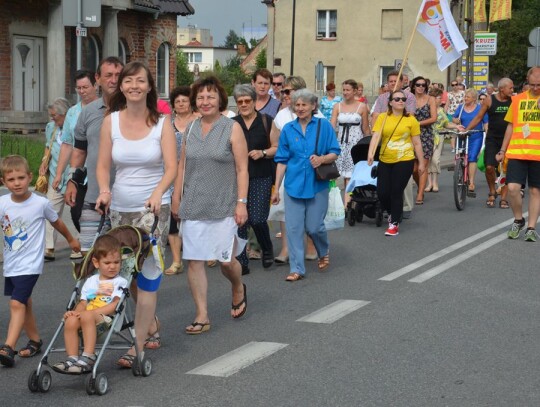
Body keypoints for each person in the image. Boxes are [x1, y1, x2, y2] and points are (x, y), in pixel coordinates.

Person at [95, 61, 177, 366]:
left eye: (139, 81)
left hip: (153, 211)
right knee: (126, 274)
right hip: (119, 210)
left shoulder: (162, 123)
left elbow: (171, 167)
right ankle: (150, 323)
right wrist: (104, 189)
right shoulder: (111, 122)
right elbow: (103, 165)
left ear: (148, 86)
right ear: (122, 86)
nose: (133, 86)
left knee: (148, 278)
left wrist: (157, 193)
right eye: (128, 81)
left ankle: (137, 345)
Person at [171, 76, 248, 334]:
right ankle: (202, 314)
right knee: (194, 260)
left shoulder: (232, 128)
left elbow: (242, 169)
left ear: (220, 100)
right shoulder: (191, 128)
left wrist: (241, 203)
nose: (205, 102)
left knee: (227, 262)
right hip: (193, 204)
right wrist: (176, 197)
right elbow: (182, 165)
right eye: (201, 98)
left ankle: (237, 286)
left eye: (210, 97)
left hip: (224, 204)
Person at [0, 155, 80, 367]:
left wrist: (71, 239)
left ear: (30, 177)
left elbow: (58, 223)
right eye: (11, 179)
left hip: (30, 264)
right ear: (3, 182)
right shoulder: (3, 203)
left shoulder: (40, 203)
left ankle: (8, 347)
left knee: (16, 303)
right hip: (11, 264)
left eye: (21, 178)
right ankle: (35, 340)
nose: (17, 183)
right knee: (24, 302)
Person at [271, 89, 341, 281]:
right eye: (297, 105)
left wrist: (322, 159)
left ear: (313, 106)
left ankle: (323, 249)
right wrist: (276, 188)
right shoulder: (288, 129)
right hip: (293, 186)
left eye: (304, 104)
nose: (300, 108)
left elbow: (335, 151)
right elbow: (282, 160)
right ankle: (297, 269)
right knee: (293, 228)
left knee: (314, 226)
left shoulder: (323, 126)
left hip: (317, 184)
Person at [64, 56, 124, 254]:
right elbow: (80, 150)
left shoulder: (134, 111)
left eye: (118, 75)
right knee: (90, 256)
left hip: (128, 198)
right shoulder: (88, 112)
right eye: (108, 75)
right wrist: (73, 180)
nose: (114, 80)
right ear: (97, 78)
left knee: (126, 262)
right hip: (94, 196)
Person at [52, 235, 127, 374]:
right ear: (96, 262)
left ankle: (89, 355)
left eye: (117, 262)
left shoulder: (119, 282)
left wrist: (92, 314)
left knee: (86, 316)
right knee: (71, 320)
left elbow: (115, 305)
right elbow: (83, 303)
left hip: (106, 318)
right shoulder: (91, 281)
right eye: (107, 263)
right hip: (88, 315)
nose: (113, 266)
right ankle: (72, 358)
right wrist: (75, 312)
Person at [270, 76, 324, 264]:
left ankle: (311, 246)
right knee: (286, 212)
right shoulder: (282, 115)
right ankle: (287, 250)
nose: (284, 95)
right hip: (290, 173)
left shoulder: (319, 118)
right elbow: (275, 143)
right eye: (284, 91)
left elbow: (328, 146)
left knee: (310, 215)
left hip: (312, 173)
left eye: (288, 91)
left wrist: (320, 159)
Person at [232, 84, 277, 272]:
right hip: (236, 178)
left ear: (253, 101)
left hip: (261, 175)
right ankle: (242, 260)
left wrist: (263, 152)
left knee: (258, 218)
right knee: (240, 220)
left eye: (247, 101)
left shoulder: (266, 121)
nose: (243, 104)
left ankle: (266, 248)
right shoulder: (232, 124)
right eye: (239, 101)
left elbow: (277, 147)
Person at [367, 91, 424, 237]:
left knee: (396, 191)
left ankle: (394, 224)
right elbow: (376, 136)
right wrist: (370, 153)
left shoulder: (411, 120)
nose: (400, 101)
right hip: (385, 159)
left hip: (405, 159)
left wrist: (422, 163)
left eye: (403, 99)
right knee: (382, 192)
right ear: (390, 102)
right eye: (397, 99)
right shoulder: (383, 117)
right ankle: (393, 213)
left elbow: (417, 143)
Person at [54, 70, 98, 240]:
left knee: (98, 211)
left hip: (98, 169)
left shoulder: (105, 109)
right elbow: (67, 144)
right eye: (78, 88)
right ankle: (91, 242)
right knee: (76, 212)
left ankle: (100, 247)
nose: (82, 91)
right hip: (78, 172)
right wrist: (59, 173)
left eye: (85, 87)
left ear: (95, 85)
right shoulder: (72, 112)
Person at [497, 66, 540, 241]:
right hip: (517, 151)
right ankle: (518, 219)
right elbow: (510, 125)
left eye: (539, 85)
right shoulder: (517, 100)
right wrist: (502, 149)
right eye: (532, 85)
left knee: (535, 191)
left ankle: (531, 227)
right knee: (513, 189)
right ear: (527, 83)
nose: (536, 88)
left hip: (537, 153)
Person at [372, 70, 417, 219]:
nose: (393, 83)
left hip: (404, 139)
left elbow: (409, 115)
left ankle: (406, 206)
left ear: (402, 82)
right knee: (386, 183)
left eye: (396, 81)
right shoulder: (382, 98)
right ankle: (391, 207)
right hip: (386, 140)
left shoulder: (408, 97)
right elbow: (376, 115)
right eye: (390, 81)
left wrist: (395, 113)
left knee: (404, 180)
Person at [165, 86, 199, 276]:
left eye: (184, 100)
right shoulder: (167, 123)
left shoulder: (198, 121)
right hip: (171, 175)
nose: (181, 104)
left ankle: (203, 253)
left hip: (194, 174)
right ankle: (177, 261)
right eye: (177, 102)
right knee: (173, 217)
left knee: (195, 216)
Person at [465, 78, 514, 208]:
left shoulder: (514, 100)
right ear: (502, 88)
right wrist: (466, 129)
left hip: (509, 139)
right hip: (492, 138)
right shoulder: (489, 100)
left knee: (506, 169)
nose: (512, 90)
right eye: (511, 88)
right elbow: (479, 117)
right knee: (489, 167)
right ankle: (492, 191)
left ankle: (504, 198)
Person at [39, 97, 73, 261]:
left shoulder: (74, 126)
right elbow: (48, 146)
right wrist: (44, 162)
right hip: (55, 177)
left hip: (73, 176)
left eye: (54, 115)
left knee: (77, 214)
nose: (52, 118)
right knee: (50, 210)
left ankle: (80, 245)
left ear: (65, 114)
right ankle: (49, 248)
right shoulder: (51, 127)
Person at [330, 79, 370, 206]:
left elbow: (365, 128)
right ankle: (334, 204)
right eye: (344, 90)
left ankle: (347, 205)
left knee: (350, 176)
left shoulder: (362, 106)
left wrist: (369, 145)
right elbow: (332, 126)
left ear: (354, 91)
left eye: (348, 90)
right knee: (336, 175)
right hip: (341, 142)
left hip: (355, 143)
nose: (345, 92)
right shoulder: (338, 106)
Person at [453, 88, 488, 196]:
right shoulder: (461, 107)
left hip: (476, 136)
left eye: (467, 97)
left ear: (473, 98)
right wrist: (456, 121)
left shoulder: (480, 108)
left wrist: (487, 135)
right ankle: (460, 172)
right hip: (462, 135)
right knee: (461, 156)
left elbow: (486, 123)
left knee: (472, 157)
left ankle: (471, 182)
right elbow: (454, 118)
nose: (465, 98)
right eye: (465, 96)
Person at [426, 88, 460, 192]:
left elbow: (446, 124)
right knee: (428, 160)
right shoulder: (426, 109)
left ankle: (435, 182)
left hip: (439, 136)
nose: (441, 100)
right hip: (427, 136)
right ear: (433, 98)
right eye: (439, 98)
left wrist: (456, 126)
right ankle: (429, 183)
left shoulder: (441, 110)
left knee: (435, 160)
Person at [410, 76, 437, 203]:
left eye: (423, 85)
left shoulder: (430, 99)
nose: (420, 87)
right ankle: (420, 184)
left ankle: (420, 194)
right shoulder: (409, 99)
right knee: (414, 169)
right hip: (410, 135)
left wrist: (418, 124)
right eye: (418, 85)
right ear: (413, 86)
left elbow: (434, 118)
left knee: (423, 166)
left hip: (425, 135)